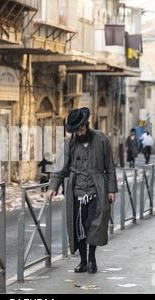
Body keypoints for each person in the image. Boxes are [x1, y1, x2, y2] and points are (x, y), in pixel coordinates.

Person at [45, 107, 118, 274]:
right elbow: (60, 168)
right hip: (76, 191)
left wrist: (112, 189)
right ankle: (83, 261)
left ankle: (92, 258)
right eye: (76, 130)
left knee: (94, 225)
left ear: (87, 124)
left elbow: (110, 167)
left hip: (97, 190)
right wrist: (52, 187)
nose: (80, 132)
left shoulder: (101, 140)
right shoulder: (69, 143)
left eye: (82, 128)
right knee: (80, 228)